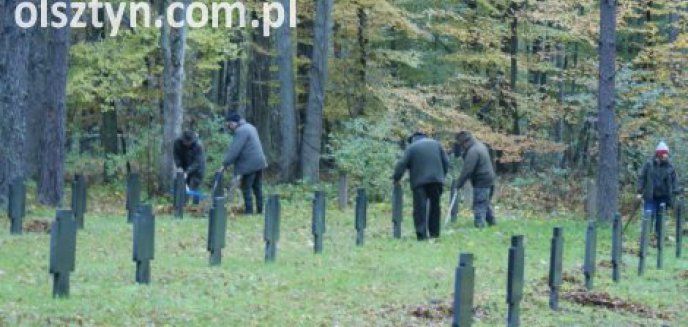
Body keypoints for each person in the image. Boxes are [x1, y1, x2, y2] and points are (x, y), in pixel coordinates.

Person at [392, 132, 449, 240]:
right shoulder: (436, 144)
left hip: (419, 182)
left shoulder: (412, 148)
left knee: (420, 209)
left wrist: (396, 178)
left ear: (413, 139)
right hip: (436, 180)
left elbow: (402, 164)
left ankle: (421, 235)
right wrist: (442, 176)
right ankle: (434, 234)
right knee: (435, 208)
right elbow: (446, 162)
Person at [219, 112, 268, 215]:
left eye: (229, 124)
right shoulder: (250, 127)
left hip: (249, 164)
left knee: (246, 188)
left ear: (234, 122)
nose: (229, 127)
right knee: (257, 187)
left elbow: (234, 150)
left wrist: (224, 164)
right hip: (259, 162)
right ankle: (260, 210)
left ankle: (249, 212)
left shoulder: (241, 131)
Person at [454, 131, 496, 228]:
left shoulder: (473, 151)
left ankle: (479, 225)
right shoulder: (480, 146)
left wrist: (458, 184)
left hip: (482, 180)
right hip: (489, 178)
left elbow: (467, 170)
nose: (462, 147)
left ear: (465, 142)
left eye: (462, 145)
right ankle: (492, 222)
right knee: (485, 202)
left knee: (479, 203)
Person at [637, 141, 681, 233]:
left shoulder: (670, 166)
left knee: (660, 218)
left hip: (663, 197)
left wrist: (676, 193)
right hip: (650, 196)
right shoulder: (649, 164)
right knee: (648, 215)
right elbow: (642, 177)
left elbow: (675, 180)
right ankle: (646, 238)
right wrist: (639, 192)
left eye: (666, 153)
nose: (666, 155)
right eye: (664, 153)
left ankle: (658, 238)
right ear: (659, 154)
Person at [173, 131, 206, 204]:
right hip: (184, 166)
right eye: (185, 141)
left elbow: (197, 162)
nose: (186, 143)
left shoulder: (198, 146)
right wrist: (179, 166)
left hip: (197, 169)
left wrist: (187, 172)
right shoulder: (177, 143)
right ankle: (182, 204)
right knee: (183, 186)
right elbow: (176, 156)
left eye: (188, 142)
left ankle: (196, 205)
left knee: (194, 186)